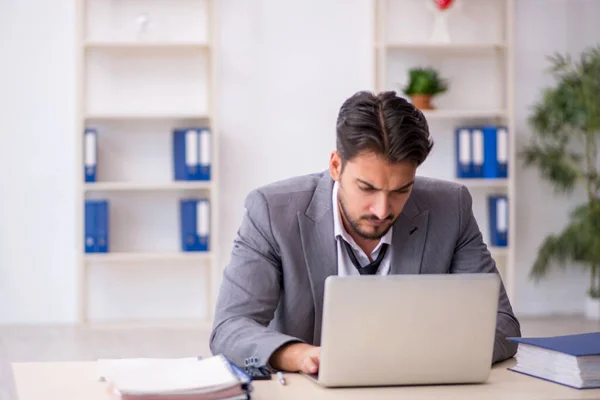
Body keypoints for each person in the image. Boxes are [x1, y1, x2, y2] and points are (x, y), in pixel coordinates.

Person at [209, 90, 521, 374]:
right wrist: (300, 355)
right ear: (335, 166)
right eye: (366, 188)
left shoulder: (451, 207)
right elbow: (230, 327)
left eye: (401, 190)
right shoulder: (272, 212)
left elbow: (502, 324)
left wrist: (421, 356)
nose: (382, 209)